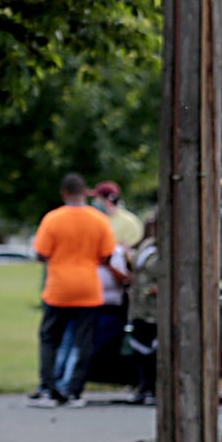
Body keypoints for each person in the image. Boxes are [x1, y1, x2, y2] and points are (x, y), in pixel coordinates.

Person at [30, 173, 119, 409]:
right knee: (84, 342)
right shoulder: (98, 220)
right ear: (85, 192)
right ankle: (74, 390)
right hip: (88, 287)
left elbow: (41, 253)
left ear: (64, 193)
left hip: (59, 287)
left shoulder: (53, 219)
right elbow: (106, 255)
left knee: (50, 339)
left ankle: (49, 388)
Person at [125, 219, 160, 405]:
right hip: (140, 305)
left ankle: (155, 388)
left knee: (155, 349)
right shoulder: (147, 245)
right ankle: (144, 386)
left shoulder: (171, 248)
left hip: (157, 308)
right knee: (139, 345)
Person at [90, 181, 144, 249]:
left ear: (109, 200)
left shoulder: (130, 222)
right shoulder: (98, 219)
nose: (95, 202)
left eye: (97, 199)